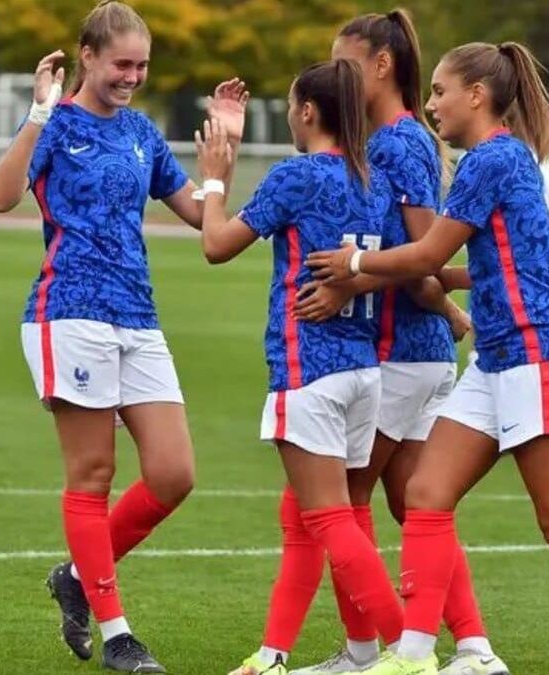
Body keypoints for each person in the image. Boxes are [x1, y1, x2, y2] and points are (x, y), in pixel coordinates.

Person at [307, 41, 549, 675]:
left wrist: (357, 264)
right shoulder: (502, 159)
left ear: (476, 96)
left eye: (441, 92)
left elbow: (426, 256)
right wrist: (390, 278)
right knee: (426, 492)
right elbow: (492, 263)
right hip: (497, 360)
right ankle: (418, 656)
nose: (431, 104)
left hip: (538, 358)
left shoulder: (491, 160)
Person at [0, 1, 247, 671]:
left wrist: (223, 159)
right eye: (121, 63)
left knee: (173, 472)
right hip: (69, 313)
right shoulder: (55, 123)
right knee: (93, 473)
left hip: (138, 316)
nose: (132, 76)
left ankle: (75, 574)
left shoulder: (139, 131)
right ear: (88, 57)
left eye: (142, 65)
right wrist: (38, 111)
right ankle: (118, 633)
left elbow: (198, 213)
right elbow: (0, 195)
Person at [281, 10, 506, 675]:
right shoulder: (386, 139)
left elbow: (422, 256)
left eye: (345, 63)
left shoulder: (396, 144)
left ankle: (372, 652)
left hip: (401, 352)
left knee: (337, 504)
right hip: (413, 350)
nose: (335, 77)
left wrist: (353, 283)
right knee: (415, 504)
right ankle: (473, 646)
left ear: (381, 65)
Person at [191, 59, 405, 675]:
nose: (288, 116)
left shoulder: (297, 177)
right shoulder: (372, 180)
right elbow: (388, 261)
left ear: (308, 111)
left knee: (329, 520)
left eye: (290, 106)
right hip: (364, 370)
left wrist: (214, 181)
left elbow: (216, 244)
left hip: (308, 368)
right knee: (322, 515)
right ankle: (293, 654)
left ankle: (408, 650)